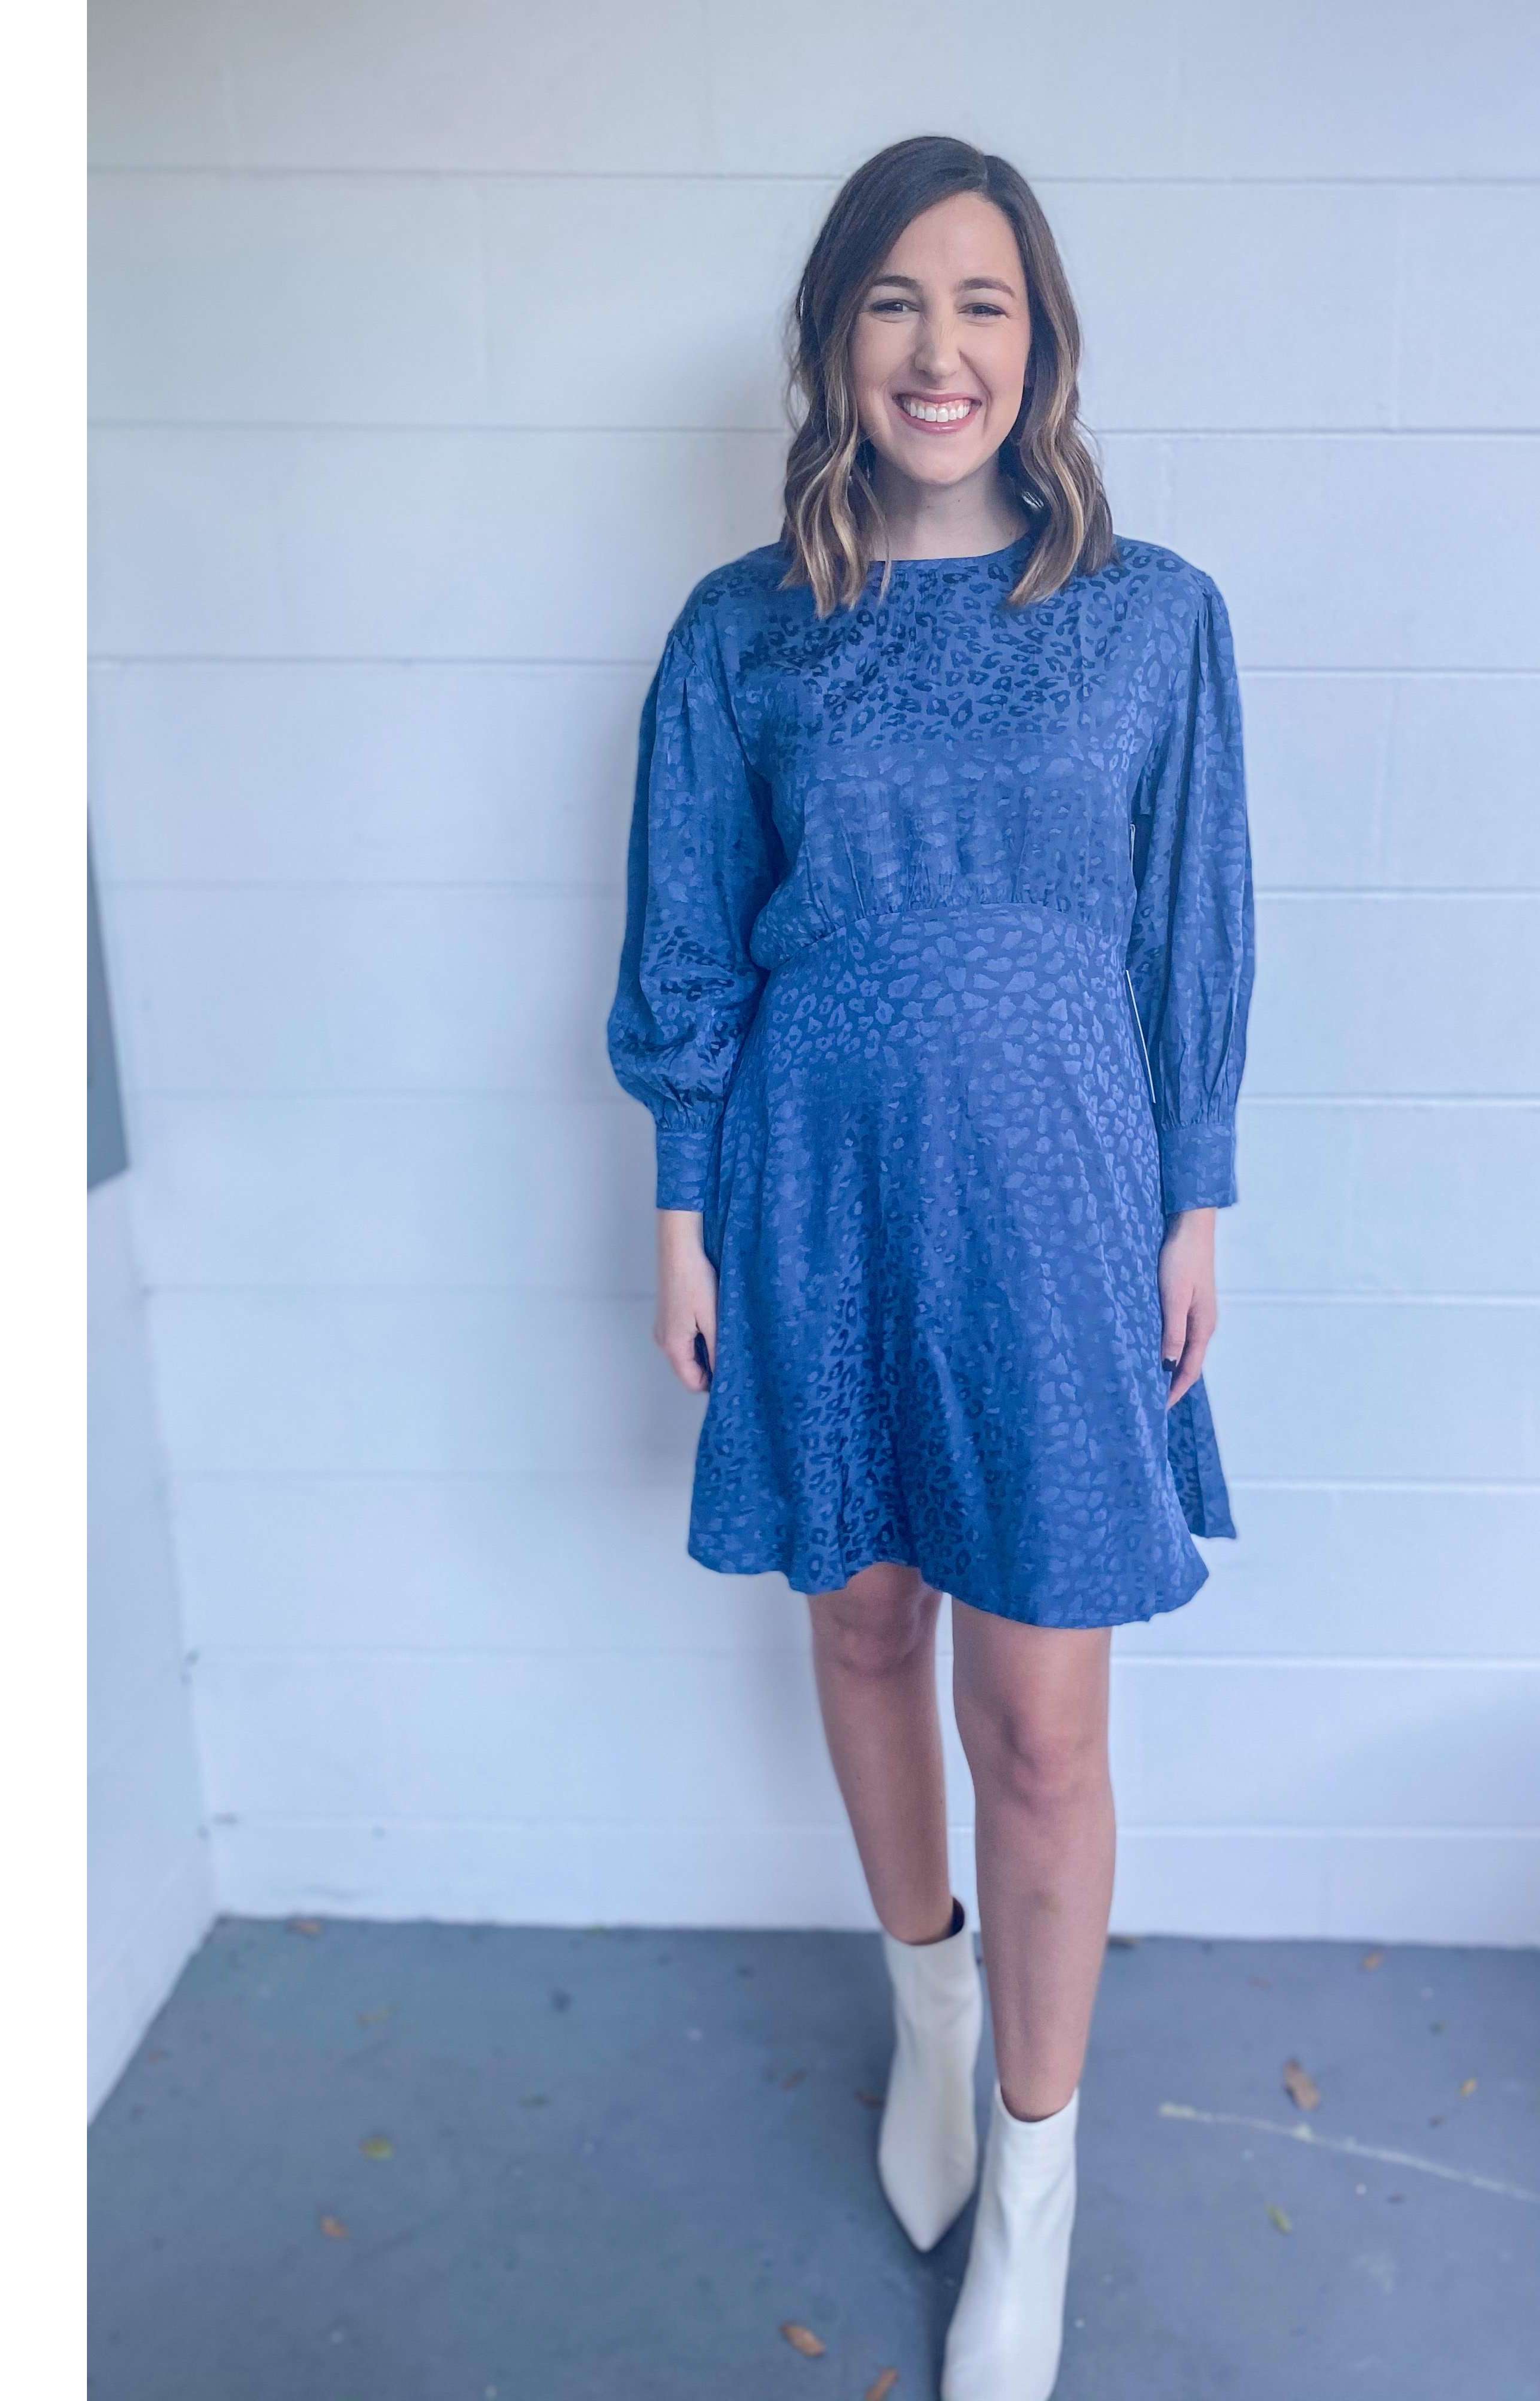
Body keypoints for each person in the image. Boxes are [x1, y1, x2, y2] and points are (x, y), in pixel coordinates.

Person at [605, 132, 1255, 2401]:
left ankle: (1038, 2193)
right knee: (866, 1621)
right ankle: (932, 2003)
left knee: (1044, 1727)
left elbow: (1192, 935)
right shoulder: (743, 629)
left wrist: (1195, 1198)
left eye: (983, 302)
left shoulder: (1153, 615)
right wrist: (683, 1205)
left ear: (1043, 342)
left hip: (1067, 1197)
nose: (939, 347)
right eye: (894, 300)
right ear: (834, 342)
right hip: (813, 1187)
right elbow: (690, 934)